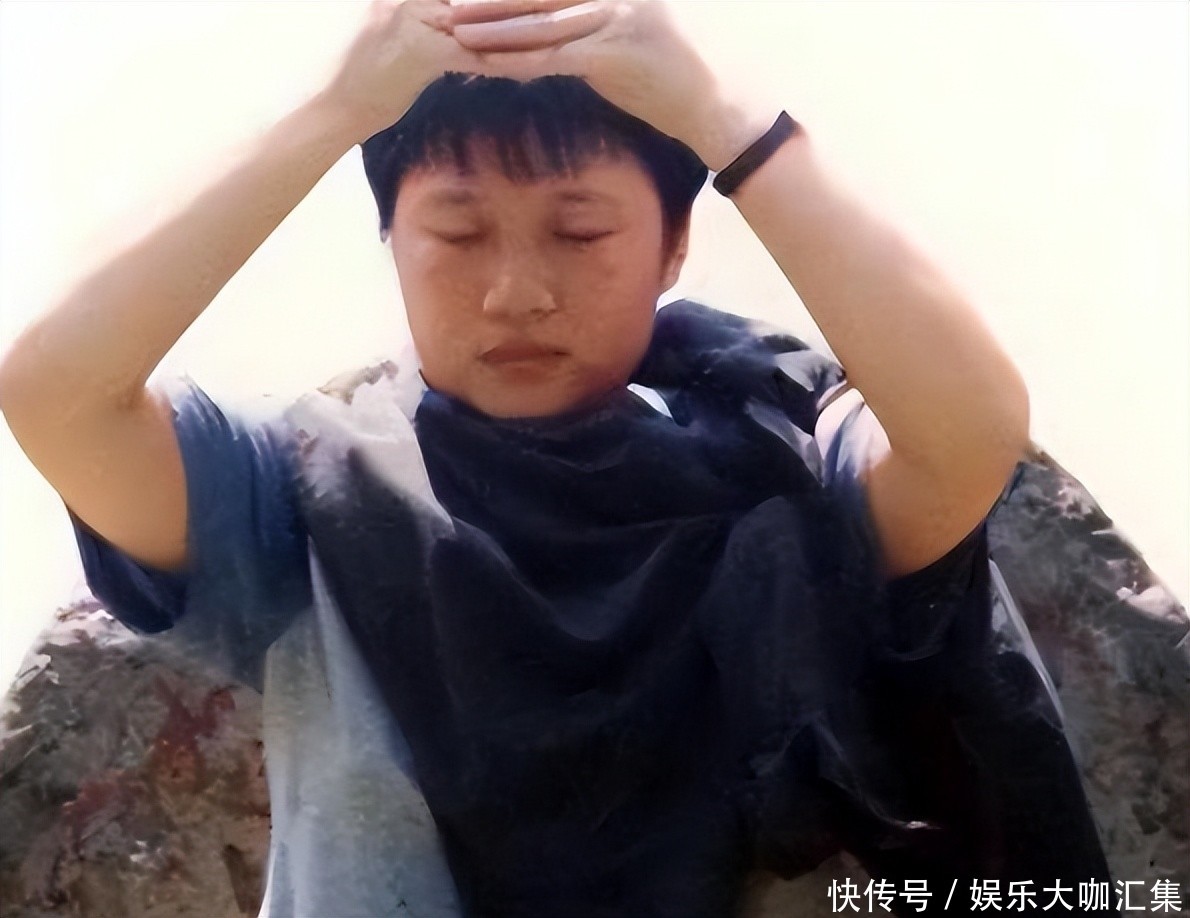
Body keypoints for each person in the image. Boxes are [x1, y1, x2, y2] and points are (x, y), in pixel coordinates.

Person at [0, 1, 1114, 915]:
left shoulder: (785, 460)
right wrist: (337, 110)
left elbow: (967, 432)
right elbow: (57, 390)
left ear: (673, 246)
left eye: (580, 233)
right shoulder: (302, 491)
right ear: (390, 239)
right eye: (457, 232)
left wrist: (723, 120)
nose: (516, 292)